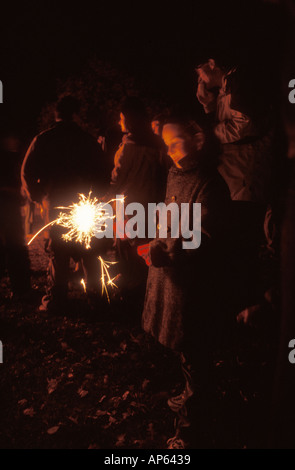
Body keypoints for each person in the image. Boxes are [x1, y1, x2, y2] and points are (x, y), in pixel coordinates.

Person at [138, 116, 231, 448]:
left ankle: (191, 426)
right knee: (186, 350)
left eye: (175, 142)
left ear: (199, 140)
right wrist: (156, 241)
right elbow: (172, 216)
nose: (169, 150)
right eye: (166, 144)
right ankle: (191, 395)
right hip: (175, 278)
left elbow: (203, 233)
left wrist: (170, 248)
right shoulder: (176, 175)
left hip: (196, 284)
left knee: (196, 351)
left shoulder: (209, 184)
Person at [196, 57, 275, 313]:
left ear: (211, 64)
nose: (200, 82)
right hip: (235, 179)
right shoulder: (228, 88)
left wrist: (208, 134)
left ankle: (246, 308)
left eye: (200, 76)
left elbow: (246, 124)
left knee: (241, 246)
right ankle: (239, 306)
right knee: (234, 245)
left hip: (245, 178)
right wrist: (209, 108)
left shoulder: (240, 81)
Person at [21, 95, 106, 311]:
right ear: (75, 114)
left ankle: (56, 300)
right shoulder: (88, 140)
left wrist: (39, 197)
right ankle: (96, 297)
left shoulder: (43, 139)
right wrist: (97, 196)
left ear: (55, 114)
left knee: (58, 252)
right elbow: (103, 173)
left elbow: (27, 171)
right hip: (84, 204)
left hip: (55, 203)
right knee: (88, 251)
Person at [108, 97, 165, 313]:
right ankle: (147, 293)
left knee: (126, 250)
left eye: (122, 117)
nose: (119, 121)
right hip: (151, 204)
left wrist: (107, 196)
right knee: (145, 248)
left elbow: (119, 177)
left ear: (130, 120)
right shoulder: (158, 144)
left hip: (128, 206)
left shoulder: (128, 147)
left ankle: (131, 296)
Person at [0, 125, 31, 300]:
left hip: (11, 207)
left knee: (15, 248)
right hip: (6, 207)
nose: (16, 142)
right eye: (12, 138)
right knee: (14, 247)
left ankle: (21, 288)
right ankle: (20, 288)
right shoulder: (6, 159)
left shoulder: (12, 158)